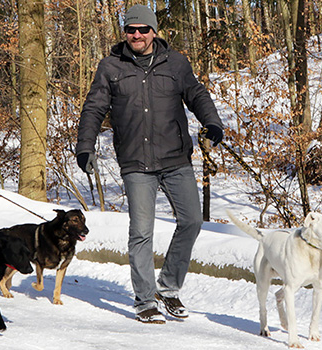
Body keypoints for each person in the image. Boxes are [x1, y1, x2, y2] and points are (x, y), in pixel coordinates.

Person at [75, 5, 224, 324]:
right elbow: (93, 109)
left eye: (143, 29)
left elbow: (196, 95)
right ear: (125, 33)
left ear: (154, 31)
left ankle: (168, 288)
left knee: (192, 221)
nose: (137, 35)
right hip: (135, 162)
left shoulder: (176, 63)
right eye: (131, 30)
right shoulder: (110, 67)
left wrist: (211, 123)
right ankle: (144, 299)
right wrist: (85, 147)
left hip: (175, 157)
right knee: (142, 231)